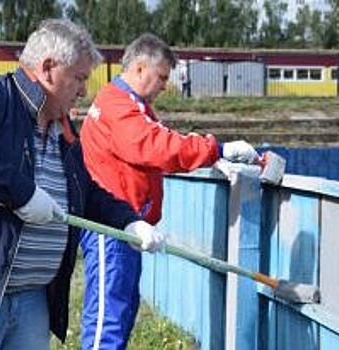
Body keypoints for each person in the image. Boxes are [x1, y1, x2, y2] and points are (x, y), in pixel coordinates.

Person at [0, 19, 164, 350]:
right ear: (49, 68)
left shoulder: (62, 130)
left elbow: (86, 192)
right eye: (79, 78)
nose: (84, 90)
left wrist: (130, 221)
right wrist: (20, 193)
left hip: (31, 304)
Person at [79, 33, 258, 349]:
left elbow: (161, 139)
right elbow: (156, 147)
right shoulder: (119, 105)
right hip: (113, 228)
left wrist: (210, 153)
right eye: (161, 77)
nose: (165, 85)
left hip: (126, 226)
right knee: (108, 320)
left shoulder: (130, 105)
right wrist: (217, 148)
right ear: (138, 68)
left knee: (120, 313)